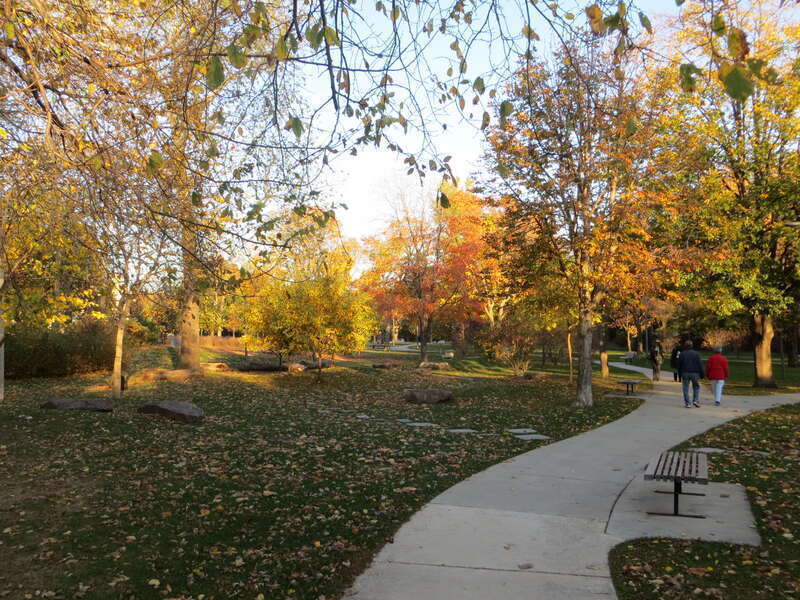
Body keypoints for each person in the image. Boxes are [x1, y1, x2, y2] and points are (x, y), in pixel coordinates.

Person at [677, 340, 704, 408]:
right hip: (695, 373)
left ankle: (687, 403)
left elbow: (679, 365)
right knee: (696, 387)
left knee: (685, 388)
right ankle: (695, 400)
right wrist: (702, 374)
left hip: (685, 373)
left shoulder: (682, 354)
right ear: (692, 346)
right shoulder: (696, 354)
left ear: (685, 346)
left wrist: (679, 375)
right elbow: (700, 364)